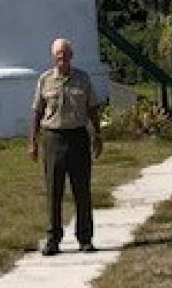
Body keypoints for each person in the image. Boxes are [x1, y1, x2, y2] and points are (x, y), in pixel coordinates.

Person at [29, 38, 102, 256]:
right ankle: (53, 239)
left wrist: (97, 134)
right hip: (53, 138)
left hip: (78, 137)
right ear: (53, 57)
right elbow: (37, 111)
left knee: (82, 191)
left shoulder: (83, 79)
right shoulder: (45, 80)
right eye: (58, 54)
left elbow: (92, 108)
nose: (62, 58)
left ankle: (85, 238)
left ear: (71, 55)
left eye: (65, 54)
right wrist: (32, 141)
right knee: (54, 191)